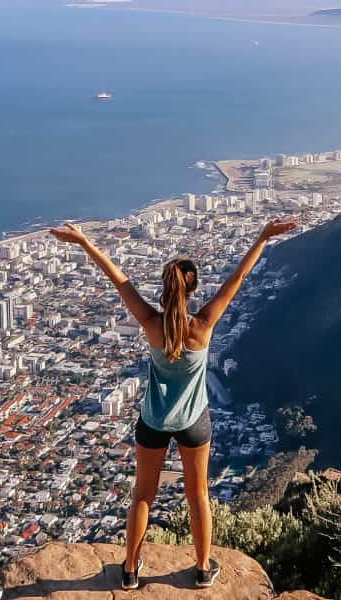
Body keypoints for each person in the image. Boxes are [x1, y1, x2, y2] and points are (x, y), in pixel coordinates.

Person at [50, 216, 299, 590]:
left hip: (153, 420)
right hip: (194, 421)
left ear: (164, 289)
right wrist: (263, 237)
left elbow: (119, 280)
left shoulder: (151, 323)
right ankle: (202, 568)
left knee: (143, 494)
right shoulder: (202, 326)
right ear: (193, 288)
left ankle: (131, 569)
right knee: (198, 494)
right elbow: (236, 281)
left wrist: (85, 242)